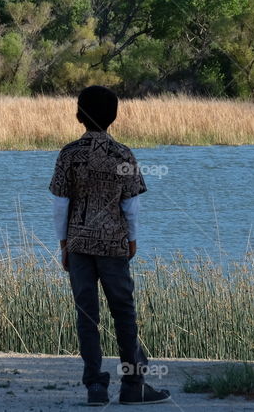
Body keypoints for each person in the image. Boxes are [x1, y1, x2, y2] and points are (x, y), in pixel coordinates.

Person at [49, 85, 171, 406]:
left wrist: (64, 243)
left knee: (87, 315)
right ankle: (133, 384)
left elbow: (60, 204)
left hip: (78, 244)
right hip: (114, 244)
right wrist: (132, 240)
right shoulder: (123, 155)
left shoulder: (68, 154)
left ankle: (95, 386)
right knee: (123, 312)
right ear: (114, 117)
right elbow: (131, 205)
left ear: (78, 115)